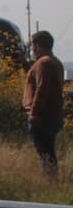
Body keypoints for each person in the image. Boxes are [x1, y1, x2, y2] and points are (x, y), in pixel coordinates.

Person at [23, 30, 65, 176]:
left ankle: (51, 181)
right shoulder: (54, 61)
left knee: (45, 152)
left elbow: (41, 88)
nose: (32, 49)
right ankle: (52, 179)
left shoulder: (44, 63)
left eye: (33, 45)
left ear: (39, 45)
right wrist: (24, 63)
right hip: (53, 114)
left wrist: (34, 113)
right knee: (48, 150)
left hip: (43, 116)